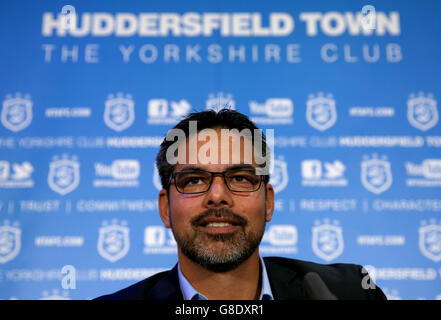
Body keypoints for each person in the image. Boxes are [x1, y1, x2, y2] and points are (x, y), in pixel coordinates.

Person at [96, 108, 386, 300]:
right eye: (194, 180)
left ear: (268, 202)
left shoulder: (349, 292)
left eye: (241, 178)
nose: (218, 195)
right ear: (165, 209)